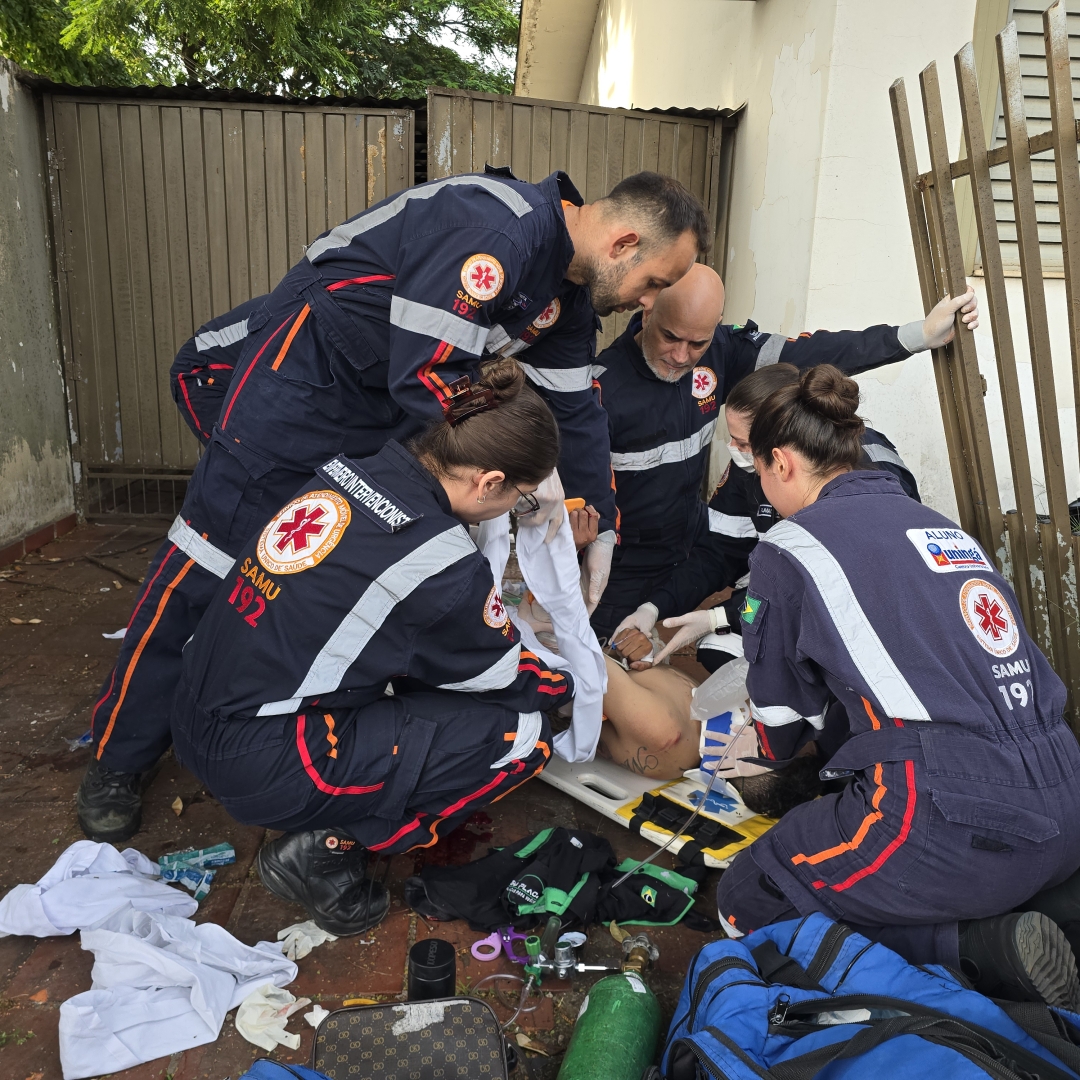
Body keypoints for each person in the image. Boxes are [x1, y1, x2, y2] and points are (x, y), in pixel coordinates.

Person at [81, 168, 710, 843]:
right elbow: (428, 372)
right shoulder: (494, 230)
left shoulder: (566, 297)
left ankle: (316, 710)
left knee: (337, 584)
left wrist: (601, 522)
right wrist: (530, 487)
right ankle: (119, 756)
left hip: (380, 423)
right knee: (210, 566)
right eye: (653, 283)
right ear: (622, 243)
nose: (648, 303)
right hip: (297, 403)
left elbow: (575, 412)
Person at [713, 363, 1080, 1010]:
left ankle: (971, 948)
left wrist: (761, 759)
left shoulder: (790, 546)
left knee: (751, 891)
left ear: (781, 463)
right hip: (1065, 792)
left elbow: (780, 723)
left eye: (760, 472)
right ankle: (1045, 906)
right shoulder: (939, 526)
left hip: (945, 815)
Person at [170, 360, 573, 935]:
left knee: (415, 682)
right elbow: (500, 673)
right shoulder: (439, 559)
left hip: (195, 712)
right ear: (488, 482)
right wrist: (573, 682)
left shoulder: (349, 471)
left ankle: (328, 808)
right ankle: (327, 851)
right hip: (265, 762)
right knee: (526, 737)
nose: (516, 511)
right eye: (522, 498)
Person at [589, 262, 979, 640]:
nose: (681, 356)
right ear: (647, 308)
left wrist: (915, 335)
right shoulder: (605, 388)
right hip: (633, 551)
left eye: (698, 344)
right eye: (670, 337)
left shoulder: (868, 480)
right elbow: (736, 562)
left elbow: (813, 595)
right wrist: (671, 610)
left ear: (781, 443)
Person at [613, 362, 919, 672]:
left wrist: (722, 615)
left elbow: (813, 592)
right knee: (721, 648)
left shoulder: (864, 483)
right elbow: (721, 553)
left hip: (866, 621)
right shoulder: (751, 465)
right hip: (798, 601)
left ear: (782, 453)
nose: (734, 450)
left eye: (744, 443)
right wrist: (654, 607)